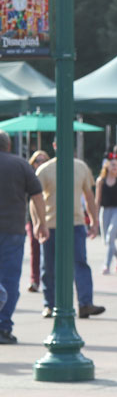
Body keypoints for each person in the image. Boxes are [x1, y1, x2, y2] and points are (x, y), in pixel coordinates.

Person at [34, 141, 102, 319]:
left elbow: (89, 196)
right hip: (51, 224)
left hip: (76, 223)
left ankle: (85, 303)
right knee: (49, 267)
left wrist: (94, 221)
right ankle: (50, 305)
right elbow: (35, 199)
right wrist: (38, 223)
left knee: (80, 263)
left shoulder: (80, 167)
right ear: (55, 145)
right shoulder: (44, 170)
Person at [0, 131, 48, 343]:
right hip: (13, 229)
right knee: (10, 279)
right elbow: (37, 196)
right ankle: (3, 327)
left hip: (13, 230)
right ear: (8, 146)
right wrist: (41, 224)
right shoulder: (21, 165)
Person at [25, 149, 49, 292]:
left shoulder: (50, 174)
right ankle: (35, 280)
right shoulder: (28, 176)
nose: (40, 163)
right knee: (35, 249)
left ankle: (48, 280)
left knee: (48, 250)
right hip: (32, 218)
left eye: (44, 160)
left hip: (49, 217)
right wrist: (37, 222)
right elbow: (33, 200)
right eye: (37, 161)